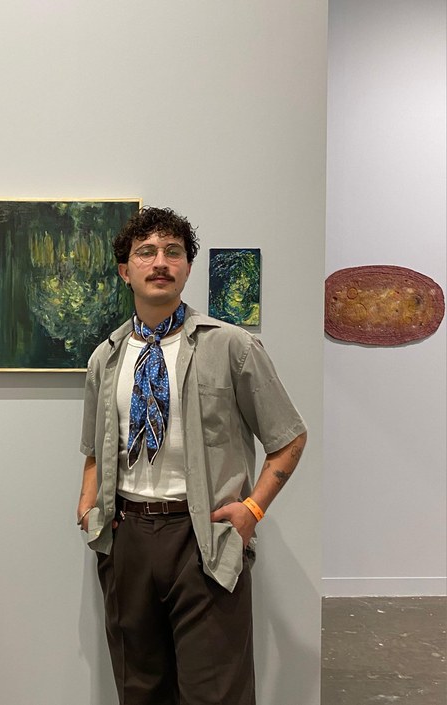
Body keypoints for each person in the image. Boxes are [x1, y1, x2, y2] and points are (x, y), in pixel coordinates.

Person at [77, 206, 307, 705]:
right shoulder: (106, 357)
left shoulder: (232, 346)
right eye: (146, 252)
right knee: (139, 689)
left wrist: (252, 510)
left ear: (186, 267)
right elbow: (94, 450)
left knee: (215, 692)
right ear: (125, 271)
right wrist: (88, 505)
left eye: (173, 252)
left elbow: (289, 438)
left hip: (205, 538)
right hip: (127, 539)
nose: (160, 262)